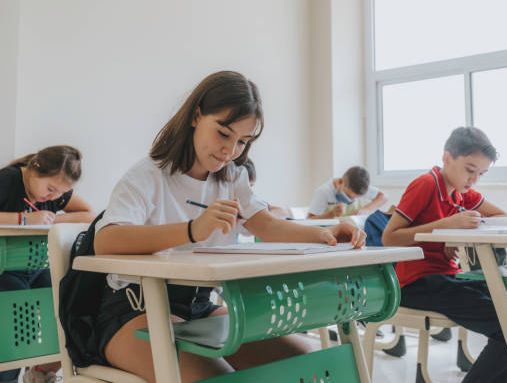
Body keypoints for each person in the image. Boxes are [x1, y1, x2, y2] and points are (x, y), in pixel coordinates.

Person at [93, 71, 366, 382]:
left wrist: (324, 233)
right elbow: (106, 240)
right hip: (133, 310)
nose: (230, 151)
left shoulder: (232, 177)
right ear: (196, 116)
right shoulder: (149, 174)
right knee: (217, 377)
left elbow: (268, 227)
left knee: (308, 363)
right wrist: (192, 229)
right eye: (224, 133)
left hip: (199, 308)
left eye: (242, 141)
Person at [382, 127, 507, 383]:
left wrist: (453, 233)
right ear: (447, 159)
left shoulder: (463, 194)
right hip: (415, 283)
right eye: (470, 170)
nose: (474, 180)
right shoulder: (426, 184)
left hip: (448, 278)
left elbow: (501, 216)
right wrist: (447, 226)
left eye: (481, 174)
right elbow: (389, 237)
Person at [0, 145, 95, 383]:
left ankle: (41, 371)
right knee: (15, 329)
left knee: (73, 301)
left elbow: (88, 213)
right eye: (50, 189)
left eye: (60, 193)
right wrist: (22, 219)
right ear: (35, 168)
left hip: (35, 268)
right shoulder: (9, 180)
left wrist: (55, 218)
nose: (52, 197)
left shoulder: (56, 192)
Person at [307, 166, 387, 219]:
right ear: (341, 181)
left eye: (356, 197)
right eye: (348, 195)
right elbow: (309, 220)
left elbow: (383, 197)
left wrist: (366, 209)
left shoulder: (360, 187)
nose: (350, 200)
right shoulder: (324, 192)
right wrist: (331, 214)